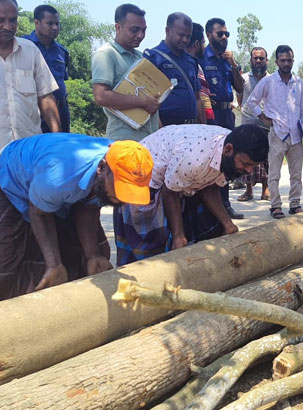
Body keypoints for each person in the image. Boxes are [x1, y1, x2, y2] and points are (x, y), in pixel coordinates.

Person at [0, 133, 153, 300]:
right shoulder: (59, 175)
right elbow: (39, 213)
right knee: (8, 264)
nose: (123, 198)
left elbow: (89, 207)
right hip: (9, 180)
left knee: (96, 257)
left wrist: (92, 255)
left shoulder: (121, 162)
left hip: (51, 191)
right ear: (101, 168)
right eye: (120, 187)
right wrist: (54, 264)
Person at [113, 124, 268, 265]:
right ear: (228, 150)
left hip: (177, 178)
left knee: (211, 228)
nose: (249, 171)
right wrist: (178, 235)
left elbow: (209, 188)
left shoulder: (230, 150)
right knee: (154, 246)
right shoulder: (193, 159)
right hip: (144, 179)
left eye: (253, 166)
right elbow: (170, 192)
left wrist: (228, 224)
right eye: (246, 164)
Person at [246, 45, 303, 219]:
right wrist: (262, 117)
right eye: (283, 60)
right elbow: (251, 102)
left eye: (289, 60)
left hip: (296, 135)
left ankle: (295, 204)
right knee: (274, 173)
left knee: (296, 174)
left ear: (293, 61)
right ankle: (275, 206)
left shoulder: (298, 81)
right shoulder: (268, 82)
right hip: (277, 134)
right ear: (276, 62)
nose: (286, 63)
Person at [92, 4, 159, 142]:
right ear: (118, 27)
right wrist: (142, 101)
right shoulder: (106, 54)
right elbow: (100, 96)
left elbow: (151, 101)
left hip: (150, 138)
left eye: (143, 30)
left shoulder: (140, 57)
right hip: (124, 141)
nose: (140, 35)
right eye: (134, 30)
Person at [0, 0, 60, 150]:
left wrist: (59, 141)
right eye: (0, 20)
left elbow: (46, 97)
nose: (7, 26)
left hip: (28, 151)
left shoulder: (30, 50)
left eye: (12, 20)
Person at [201, 17, 246, 219]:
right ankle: (210, 208)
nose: (224, 37)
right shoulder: (202, 56)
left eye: (227, 33)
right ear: (209, 34)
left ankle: (226, 204)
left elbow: (239, 87)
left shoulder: (227, 60)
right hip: (211, 115)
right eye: (220, 33)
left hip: (227, 114)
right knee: (210, 159)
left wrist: (233, 64)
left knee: (227, 159)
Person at [144, 13, 205, 126]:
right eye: (181, 35)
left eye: (188, 36)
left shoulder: (191, 61)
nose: (185, 40)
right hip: (167, 127)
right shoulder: (153, 57)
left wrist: (204, 126)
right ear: (168, 31)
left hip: (191, 127)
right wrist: (160, 130)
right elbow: (147, 97)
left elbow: (197, 98)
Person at [23, 4, 70, 133]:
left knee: (61, 146)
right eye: (50, 23)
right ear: (37, 23)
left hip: (60, 109)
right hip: (33, 110)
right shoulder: (24, 46)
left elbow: (62, 81)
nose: (55, 27)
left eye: (57, 24)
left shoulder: (62, 52)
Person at [237, 46, 270, 202]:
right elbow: (239, 99)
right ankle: (248, 191)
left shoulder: (271, 79)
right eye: (255, 58)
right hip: (248, 124)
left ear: (266, 60)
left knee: (266, 158)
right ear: (251, 60)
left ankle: (266, 189)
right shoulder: (243, 79)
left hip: (266, 125)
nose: (258, 61)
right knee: (247, 158)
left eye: (261, 58)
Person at [186, 22, 214, 123]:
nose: (204, 46)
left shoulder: (196, 66)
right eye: (203, 43)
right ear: (197, 44)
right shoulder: (187, 67)